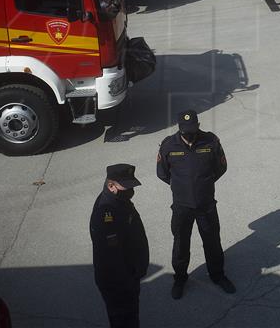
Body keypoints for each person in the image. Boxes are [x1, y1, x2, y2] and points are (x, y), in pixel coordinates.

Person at [157, 109, 235, 300]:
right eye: (185, 130)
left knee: (212, 243)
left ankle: (218, 275)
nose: (189, 134)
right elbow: (163, 173)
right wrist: (182, 187)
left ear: (198, 126)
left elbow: (221, 167)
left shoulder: (211, 141)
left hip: (206, 204)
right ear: (179, 128)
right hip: (182, 207)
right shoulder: (168, 145)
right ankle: (180, 279)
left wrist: (203, 184)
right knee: (181, 244)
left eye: (192, 129)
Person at [90, 164, 149, 328]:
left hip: (129, 274)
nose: (130, 191)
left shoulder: (119, 201)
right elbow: (111, 258)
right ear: (111, 185)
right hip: (118, 282)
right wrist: (128, 282)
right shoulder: (106, 213)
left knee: (131, 315)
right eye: (126, 186)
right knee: (122, 319)